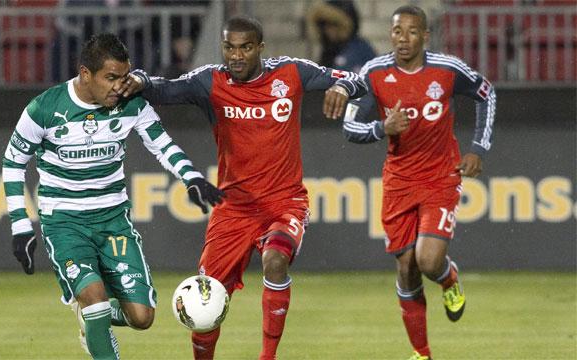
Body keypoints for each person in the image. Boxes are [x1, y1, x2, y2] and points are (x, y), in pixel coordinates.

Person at [119, 15, 367, 360]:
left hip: (285, 203)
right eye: (230, 48)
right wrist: (141, 78)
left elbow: (358, 79)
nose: (236, 56)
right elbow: (164, 88)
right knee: (205, 298)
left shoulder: (291, 73)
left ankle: (267, 357)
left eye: (245, 48)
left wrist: (341, 87)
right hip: (233, 209)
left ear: (260, 49)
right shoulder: (210, 81)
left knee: (276, 260)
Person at [2, 33, 223, 359]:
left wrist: (190, 177)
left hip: (112, 220)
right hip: (65, 222)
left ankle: (92, 317)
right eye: (111, 78)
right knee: (94, 298)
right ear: (85, 74)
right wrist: (21, 225)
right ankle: (93, 314)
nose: (120, 86)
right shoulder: (45, 108)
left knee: (142, 318)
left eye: (124, 76)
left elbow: (161, 144)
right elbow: (13, 162)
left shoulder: (131, 103)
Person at [342, 5, 496, 360]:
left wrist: (478, 148)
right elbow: (350, 127)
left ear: (425, 37)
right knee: (406, 266)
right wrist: (382, 128)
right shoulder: (374, 72)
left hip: (441, 176)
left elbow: (487, 93)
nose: (403, 39)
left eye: (412, 32)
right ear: (391, 34)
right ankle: (422, 353)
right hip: (398, 181)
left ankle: (449, 279)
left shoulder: (447, 70)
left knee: (427, 261)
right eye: (397, 32)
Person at [307, 0, 376, 74]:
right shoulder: (329, 52)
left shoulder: (359, 51)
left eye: (333, 24)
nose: (328, 30)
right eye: (324, 24)